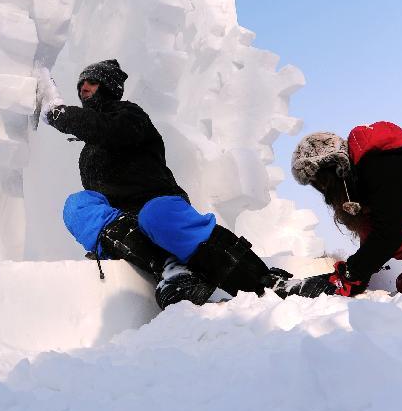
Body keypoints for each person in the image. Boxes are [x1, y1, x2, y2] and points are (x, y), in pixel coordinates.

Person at [37, 59, 281, 308]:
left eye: (92, 81)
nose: (83, 88)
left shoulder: (130, 116)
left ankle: (263, 280)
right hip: (125, 222)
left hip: (159, 208)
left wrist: (61, 115)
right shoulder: (88, 152)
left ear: (108, 86)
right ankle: (169, 267)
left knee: (155, 215)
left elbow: (109, 130)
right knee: (78, 205)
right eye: (81, 84)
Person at [288, 122, 402, 299]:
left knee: (374, 226)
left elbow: (387, 233)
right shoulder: (373, 173)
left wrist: (350, 276)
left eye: (323, 182)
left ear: (338, 167)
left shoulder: (381, 164)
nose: (326, 193)